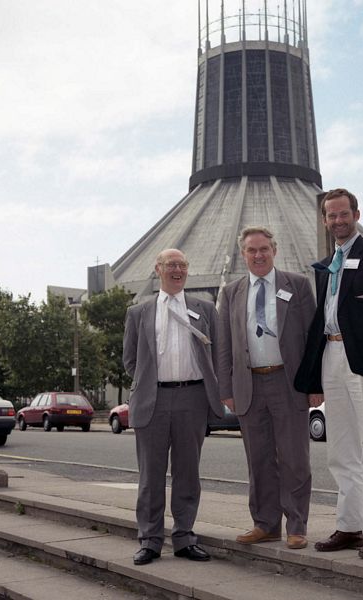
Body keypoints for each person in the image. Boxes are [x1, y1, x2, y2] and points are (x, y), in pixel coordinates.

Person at [295, 188, 363, 559]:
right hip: (332, 354)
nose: (338, 221)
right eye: (331, 216)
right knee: (341, 449)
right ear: (324, 220)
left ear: (356, 215)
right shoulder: (327, 264)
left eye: (344, 214)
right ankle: (349, 526)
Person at [122, 248, 223, 566]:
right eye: (171, 265)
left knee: (187, 473)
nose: (177, 270)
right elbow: (130, 361)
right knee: (150, 475)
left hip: (192, 399)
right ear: (158, 269)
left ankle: (184, 537)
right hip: (153, 399)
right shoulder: (139, 312)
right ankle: (150, 540)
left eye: (182, 265)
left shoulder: (204, 308)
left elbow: (218, 354)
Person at [217, 226, 316, 550]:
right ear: (243, 254)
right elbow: (224, 344)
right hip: (249, 385)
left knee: (294, 458)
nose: (258, 255)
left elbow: (311, 339)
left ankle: (296, 526)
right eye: (251, 250)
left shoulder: (298, 286)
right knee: (258, 459)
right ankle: (266, 524)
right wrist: (226, 387)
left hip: (288, 383)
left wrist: (313, 383)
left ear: (274, 250)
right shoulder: (231, 292)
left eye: (263, 249)